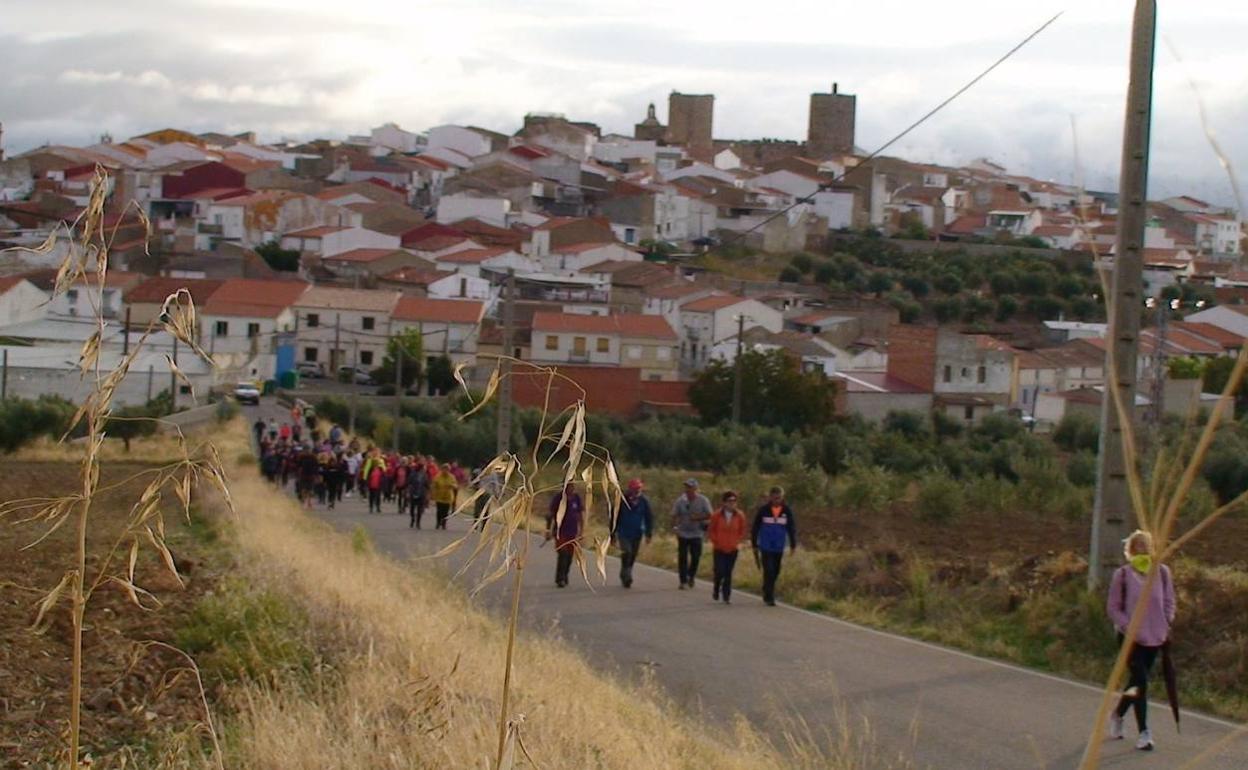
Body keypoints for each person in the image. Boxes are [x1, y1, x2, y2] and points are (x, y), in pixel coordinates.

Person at [1106, 530, 1175, 752]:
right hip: (1130, 639)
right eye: (1138, 546)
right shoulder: (1123, 575)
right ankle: (1144, 732)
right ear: (1131, 550)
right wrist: (1129, 627)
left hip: (1155, 636)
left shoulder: (1162, 572)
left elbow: (1169, 601)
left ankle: (1118, 713)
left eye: (1146, 545)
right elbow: (1113, 607)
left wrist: (1166, 621)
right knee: (1142, 682)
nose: (1143, 549)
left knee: (1136, 682)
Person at [751, 486, 797, 606]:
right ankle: (769, 596)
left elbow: (791, 528)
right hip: (765, 546)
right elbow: (755, 527)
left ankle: (766, 588)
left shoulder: (786, 510)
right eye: (775, 497)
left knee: (776, 571)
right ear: (770, 497)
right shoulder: (763, 510)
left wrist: (793, 544)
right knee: (769, 570)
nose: (777, 500)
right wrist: (754, 543)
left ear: (782, 497)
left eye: (779, 498)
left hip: (778, 546)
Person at [611, 479, 652, 588]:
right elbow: (614, 517)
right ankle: (627, 574)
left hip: (637, 533)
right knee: (627, 552)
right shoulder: (621, 499)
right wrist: (612, 534)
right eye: (634, 489)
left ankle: (626, 572)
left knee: (633, 555)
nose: (636, 491)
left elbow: (649, 518)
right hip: (623, 532)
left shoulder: (644, 501)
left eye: (638, 489)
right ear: (630, 489)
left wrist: (649, 534)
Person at [671, 479, 711, 589]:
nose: (688, 490)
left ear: (695, 489)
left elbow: (709, 515)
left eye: (690, 488)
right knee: (682, 557)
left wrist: (698, 517)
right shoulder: (681, 500)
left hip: (697, 533)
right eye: (686, 487)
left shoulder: (703, 500)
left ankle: (691, 575)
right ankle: (683, 580)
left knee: (696, 557)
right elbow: (674, 514)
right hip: (683, 532)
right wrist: (675, 527)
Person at [708, 491, 746, 604]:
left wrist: (737, 541)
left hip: (732, 548)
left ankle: (726, 595)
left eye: (734, 501)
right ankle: (716, 587)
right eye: (730, 501)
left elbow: (742, 530)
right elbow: (711, 530)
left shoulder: (740, 515)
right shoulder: (716, 515)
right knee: (720, 571)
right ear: (724, 503)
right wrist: (716, 541)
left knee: (728, 572)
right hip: (719, 548)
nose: (732, 504)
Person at [546, 482, 584, 588]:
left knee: (569, 556)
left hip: (572, 532)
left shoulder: (576, 498)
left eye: (572, 486)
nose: (570, 488)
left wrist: (582, 530)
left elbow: (580, 515)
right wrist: (548, 530)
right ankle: (560, 578)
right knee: (563, 554)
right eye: (568, 486)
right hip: (560, 531)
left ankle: (565, 574)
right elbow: (550, 515)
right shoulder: (558, 498)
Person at [430, 464, 459, 530]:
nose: (445, 471)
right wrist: (432, 493)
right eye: (444, 469)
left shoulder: (452, 477)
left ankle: (444, 524)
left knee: (445, 512)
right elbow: (434, 485)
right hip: (439, 497)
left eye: (447, 469)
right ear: (442, 469)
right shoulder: (438, 476)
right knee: (439, 511)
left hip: (448, 497)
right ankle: (438, 522)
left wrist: (452, 485)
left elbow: (455, 485)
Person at [407, 458, 430, 529]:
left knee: (420, 510)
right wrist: (408, 492)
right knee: (412, 509)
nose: (423, 469)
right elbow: (409, 483)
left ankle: (418, 523)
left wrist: (428, 494)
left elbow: (427, 485)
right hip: (413, 492)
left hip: (421, 494)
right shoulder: (413, 473)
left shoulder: (425, 475)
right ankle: (413, 519)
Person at [361, 449, 387, 514]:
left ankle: (378, 507)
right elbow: (366, 469)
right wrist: (365, 478)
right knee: (371, 495)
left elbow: (384, 470)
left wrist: (381, 465)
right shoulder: (370, 460)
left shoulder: (381, 461)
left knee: (378, 495)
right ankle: (371, 507)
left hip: (379, 482)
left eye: (377, 453)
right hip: (371, 482)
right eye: (375, 453)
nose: (376, 454)